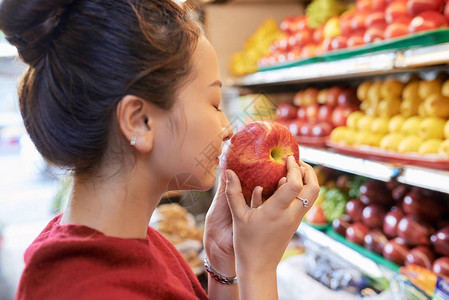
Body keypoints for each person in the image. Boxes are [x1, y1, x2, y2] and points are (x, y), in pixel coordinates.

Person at [0, 0, 320, 299]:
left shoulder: (130, 242)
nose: (226, 129)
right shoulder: (88, 289)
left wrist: (223, 261)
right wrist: (259, 269)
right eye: (214, 103)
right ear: (140, 121)